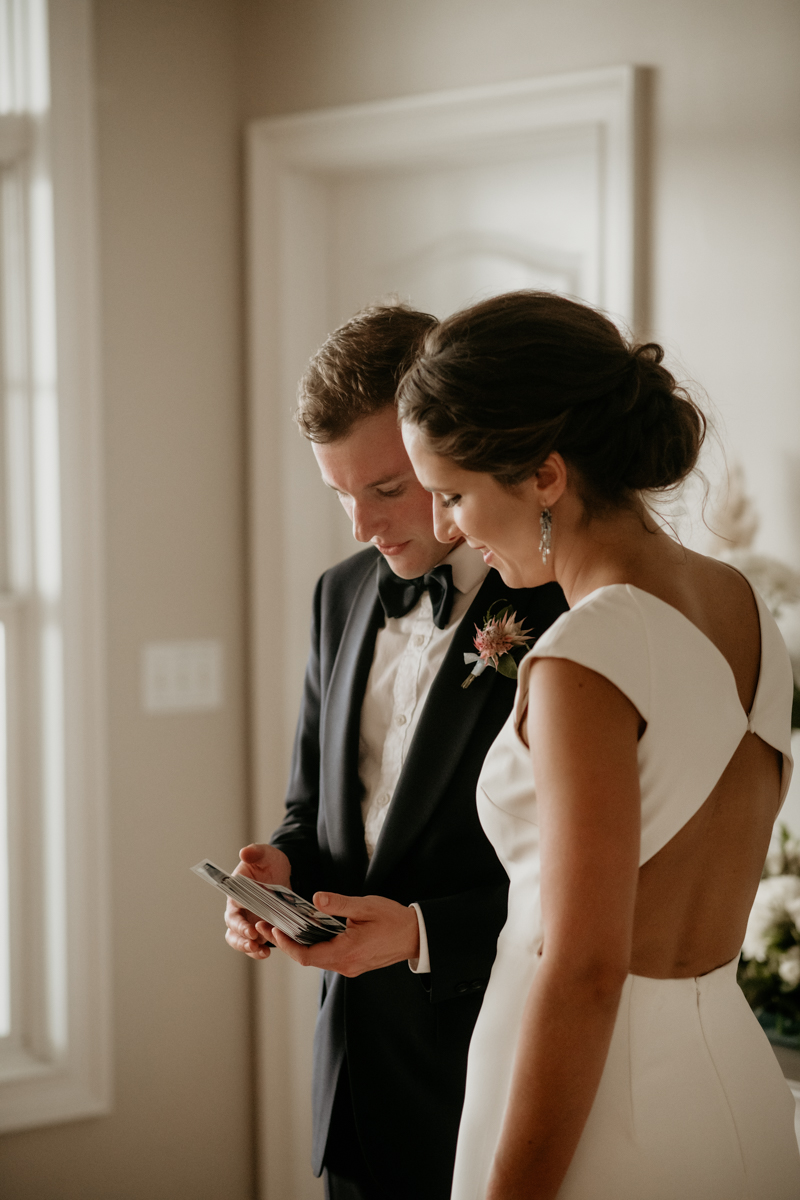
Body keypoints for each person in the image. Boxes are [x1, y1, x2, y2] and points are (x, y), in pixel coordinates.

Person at [399, 290, 800, 1200]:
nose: (444, 529)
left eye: (454, 493)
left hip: (603, 1118)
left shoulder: (586, 651)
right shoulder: (743, 605)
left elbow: (582, 972)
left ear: (546, 476)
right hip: (733, 1084)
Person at [224, 304, 568, 1200]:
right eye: (338, 493)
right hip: (354, 1091)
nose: (359, 525)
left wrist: (421, 935)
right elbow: (316, 807)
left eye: (384, 488)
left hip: (488, 1074)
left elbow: (589, 889)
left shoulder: (560, 602)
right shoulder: (339, 596)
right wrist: (277, 872)